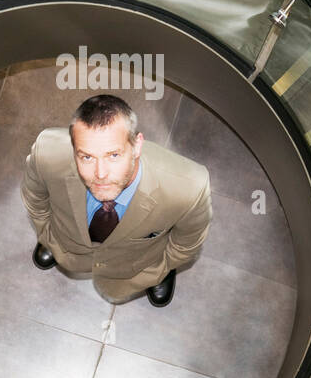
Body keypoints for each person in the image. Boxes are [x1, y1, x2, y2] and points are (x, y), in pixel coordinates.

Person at [21, 94, 212, 307]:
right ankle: (58, 246)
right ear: (73, 149)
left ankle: (162, 277)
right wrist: (50, 237)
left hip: (137, 264)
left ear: (137, 145)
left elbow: (186, 245)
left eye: (113, 155)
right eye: (86, 157)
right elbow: (35, 197)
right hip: (66, 242)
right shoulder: (48, 152)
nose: (100, 174)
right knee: (61, 241)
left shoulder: (188, 188)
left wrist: (157, 270)